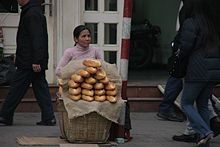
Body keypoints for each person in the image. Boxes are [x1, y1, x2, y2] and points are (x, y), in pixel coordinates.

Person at [0, 0, 56, 126]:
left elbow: (37, 39)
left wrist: (36, 60)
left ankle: (4, 116)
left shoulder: (32, 13)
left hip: (29, 62)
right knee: (41, 89)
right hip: (31, 60)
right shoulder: (32, 11)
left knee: (16, 89)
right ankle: (48, 117)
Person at [176, 0, 220, 146]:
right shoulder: (212, 23)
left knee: (186, 103)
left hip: (197, 69)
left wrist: (178, 56)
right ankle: (204, 138)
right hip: (213, 71)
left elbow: (186, 46)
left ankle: (205, 132)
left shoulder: (191, 22)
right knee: (202, 104)